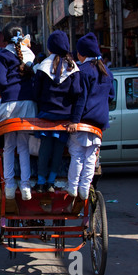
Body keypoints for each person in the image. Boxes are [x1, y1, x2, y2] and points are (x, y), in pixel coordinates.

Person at [0, 22, 37, 200]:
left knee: (8, 145)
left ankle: (9, 185)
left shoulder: (2, 55)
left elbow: (0, 80)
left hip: (10, 104)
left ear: (4, 39)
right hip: (30, 104)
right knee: (23, 146)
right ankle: (25, 186)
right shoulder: (30, 54)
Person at [65, 33, 115, 200]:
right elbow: (111, 96)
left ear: (82, 54)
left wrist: (74, 121)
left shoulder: (83, 71)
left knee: (77, 155)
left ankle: (73, 188)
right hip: (99, 124)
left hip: (84, 121)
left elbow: (81, 98)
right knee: (90, 158)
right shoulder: (107, 71)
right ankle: (85, 189)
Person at [33, 30, 82, 193]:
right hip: (65, 119)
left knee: (45, 149)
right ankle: (52, 182)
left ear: (50, 47)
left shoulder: (43, 66)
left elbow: (36, 93)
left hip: (46, 116)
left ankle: (40, 182)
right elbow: (77, 94)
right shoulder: (73, 68)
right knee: (59, 150)